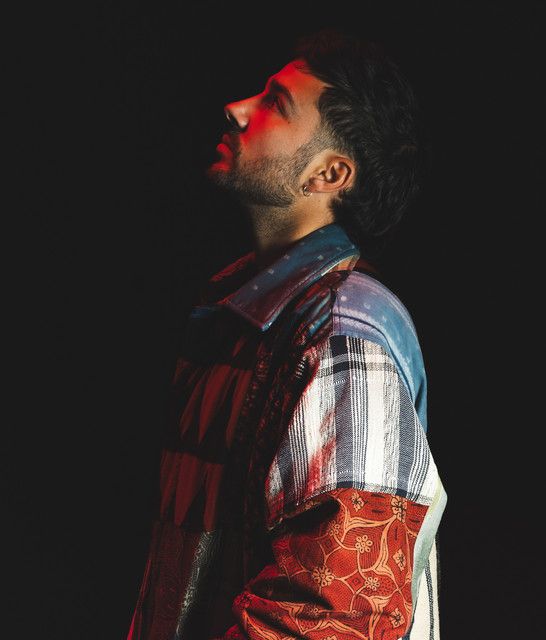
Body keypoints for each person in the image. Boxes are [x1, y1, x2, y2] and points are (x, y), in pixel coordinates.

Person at [127, 28, 447, 640]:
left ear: (329, 173)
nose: (236, 108)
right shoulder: (242, 313)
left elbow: (338, 616)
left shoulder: (344, 332)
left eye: (276, 103)